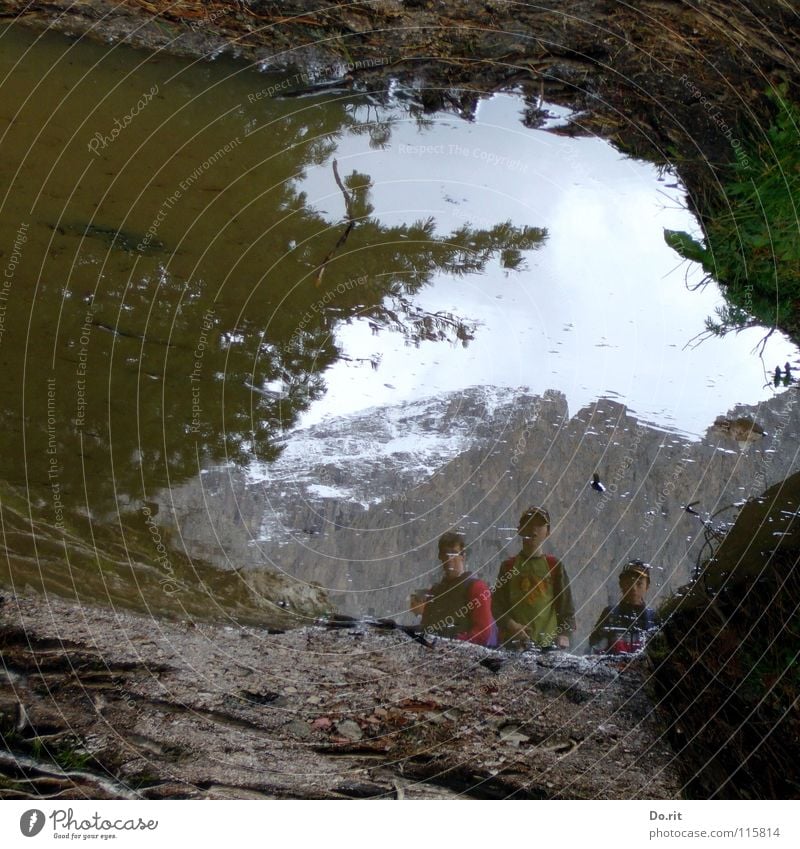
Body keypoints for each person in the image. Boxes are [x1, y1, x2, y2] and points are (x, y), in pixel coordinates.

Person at [492, 506, 575, 649]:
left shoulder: (554, 566)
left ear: (547, 532)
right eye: (529, 523)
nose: (533, 529)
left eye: (539, 525)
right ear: (520, 529)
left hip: (548, 646)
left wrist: (564, 634)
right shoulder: (508, 566)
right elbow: (497, 606)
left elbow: (566, 607)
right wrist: (512, 626)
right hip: (514, 645)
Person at [411, 531, 498, 647]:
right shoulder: (436, 591)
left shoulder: (477, 588)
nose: (449, 559)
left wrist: (452, 642)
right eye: (445, 554)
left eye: (453, 554)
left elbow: (483, 634)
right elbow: (427, 627)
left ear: (463, 556)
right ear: (440, 556)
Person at [589, 559, 660, 654]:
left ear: (647, 586)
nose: (633, 588)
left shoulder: (653, 617)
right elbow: (595, 648)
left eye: (639, 584)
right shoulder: (610, 614)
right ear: (621, 584)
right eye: (629, 583)